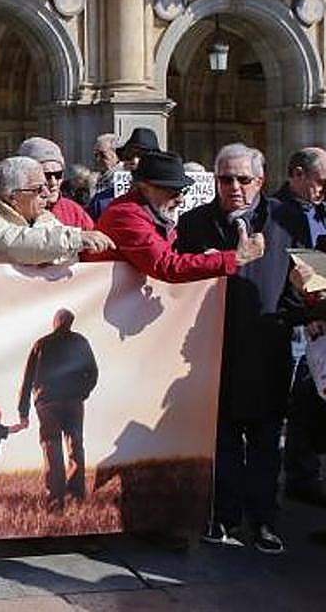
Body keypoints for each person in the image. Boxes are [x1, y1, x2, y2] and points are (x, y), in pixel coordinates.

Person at [176, 144, 300, 554]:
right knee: (223, 437)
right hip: (215, 345)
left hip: (267, 344)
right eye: (225, 179)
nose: (233, 187)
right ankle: (223, 516)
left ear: (260, 181)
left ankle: (264, 521)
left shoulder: (284, 218)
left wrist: (298, 310)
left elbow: (299, 277)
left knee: (266, 439)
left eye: (242, 180)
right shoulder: (195, 222)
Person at [85, 150, 266, 280]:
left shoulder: (152, 212)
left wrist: (210, 257)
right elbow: (166, 265)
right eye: (172, 191)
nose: (180, 199)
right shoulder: (126, 216)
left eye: (183, 191)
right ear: (144, 187)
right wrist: (235, 258)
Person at [274, 147, 326, 506]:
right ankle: (296, 474)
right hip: (297, 318)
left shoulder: (320, 208)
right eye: (319, 181)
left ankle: (305, 471)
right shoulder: (277, 211)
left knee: (310, 399)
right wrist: (305, 314)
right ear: (297, 174)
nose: (323, 189)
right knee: (295, 399)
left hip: (319, 316)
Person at [17, 308, 99, 512]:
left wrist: (23, 411)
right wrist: (82, 392)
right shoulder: (80, 342)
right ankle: (76, 498)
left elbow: (27, 379)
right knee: (75, 447)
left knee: (51, 447)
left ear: (55, 322)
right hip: (73, 401)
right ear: (70, 322)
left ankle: (55, 502)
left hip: (47, 403)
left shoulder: (41, 344)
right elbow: (93, 372)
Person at [0, 156, 113, 265]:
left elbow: (67, 259)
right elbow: (14, 244)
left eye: (45, 186)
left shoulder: (45, 218)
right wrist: (74, 238)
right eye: (38, 189)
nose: (47, 193)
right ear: (13, 197)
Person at [17, 137, 94, 229]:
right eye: (46, 175)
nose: (53, 182)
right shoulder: (12, 212)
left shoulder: (74, 211)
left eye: (58, 174)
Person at [87, 127, 159, 220]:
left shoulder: (168, 195)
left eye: (143, 155)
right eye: (129, 155)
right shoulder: (102, 200)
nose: (135, 160)